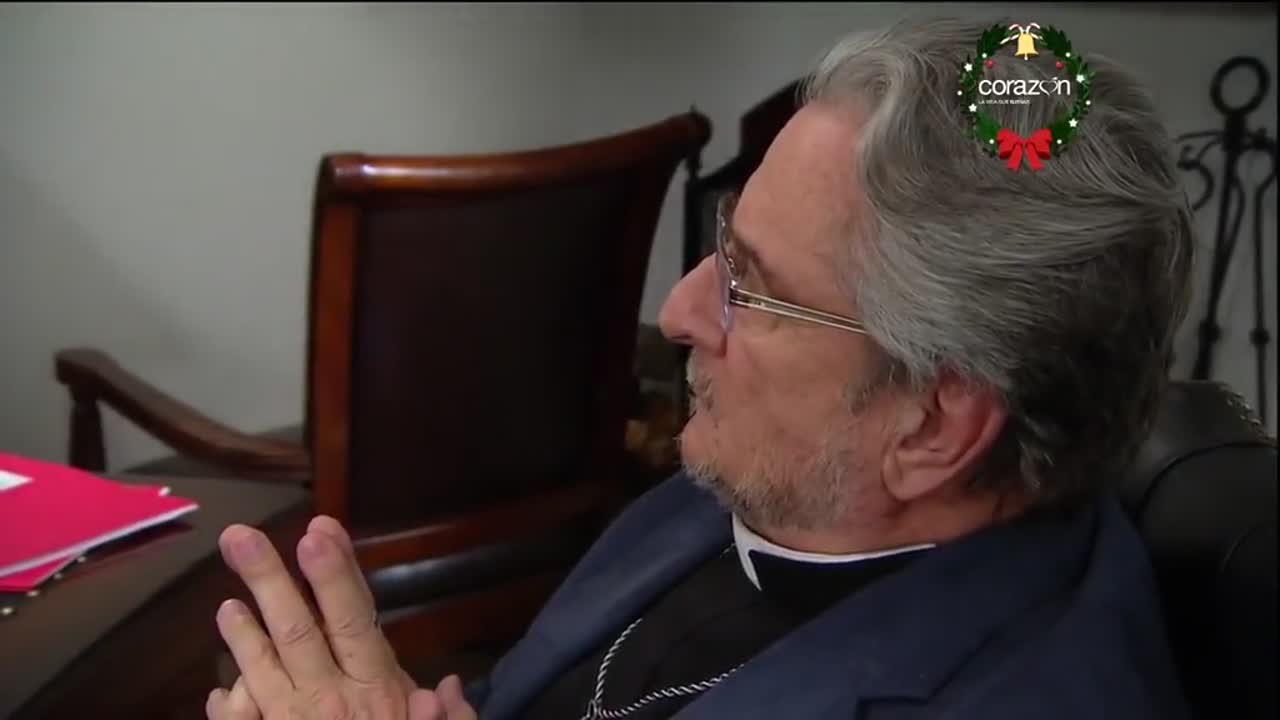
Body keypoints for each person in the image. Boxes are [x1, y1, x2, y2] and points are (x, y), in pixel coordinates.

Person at [204, 16, 1197, 720]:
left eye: (752, 288)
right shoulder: (773, 480)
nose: (680, 312)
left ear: (932, 428)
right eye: (724, 246)